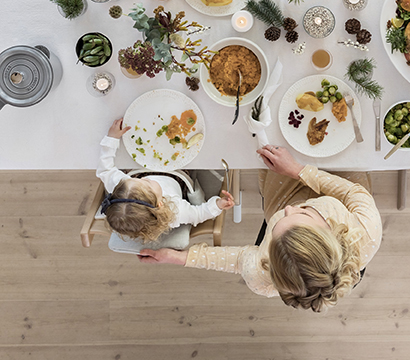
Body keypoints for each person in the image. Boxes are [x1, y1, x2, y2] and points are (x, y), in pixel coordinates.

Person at [138, 146, 382, 311]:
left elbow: (238, 260)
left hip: (286, 187)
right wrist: (299, 171)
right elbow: (353, 192)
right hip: (337, 180)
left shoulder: (262, 276)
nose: (288, 209)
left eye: (273, 230)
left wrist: (179, 257)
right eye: (303, 213)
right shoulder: (366, 231)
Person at [97, 118, 234, 242]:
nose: (144, 179)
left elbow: (105, 170)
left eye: (133, 180)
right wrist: (218, 204)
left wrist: (112, 139)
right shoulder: (175, 211)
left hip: (142, 165)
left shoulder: (122, 188)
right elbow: (199, 214)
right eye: (146, 182)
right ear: (160, 204)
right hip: (176, 173)